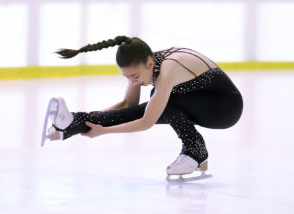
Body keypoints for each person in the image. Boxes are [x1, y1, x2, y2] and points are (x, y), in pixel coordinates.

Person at [42, 35, 243, 181]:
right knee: (154, 102)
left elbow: (146, 121)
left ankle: (195, 151)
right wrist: (85, 123)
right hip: (196, 101)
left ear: (149, 63)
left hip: (225, 108)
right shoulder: (143, 65)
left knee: (162, 102)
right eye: (127, 77)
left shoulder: (169, 69)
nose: (133, 81)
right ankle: (71, 123)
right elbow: (128, 105)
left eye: (135, 77)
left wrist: (104, 131)